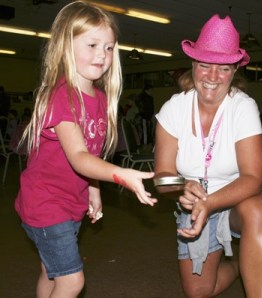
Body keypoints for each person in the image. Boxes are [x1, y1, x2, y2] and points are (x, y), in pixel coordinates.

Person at [15, 2, 157, 298]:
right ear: (66, 45)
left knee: (51, 272)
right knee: (72, 281)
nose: (101, 55)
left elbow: (89, 155)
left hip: (70, 203)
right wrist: (119, 175)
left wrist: (93, 189)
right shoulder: (62, 96)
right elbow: (79, 157)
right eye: (92, 44)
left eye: (108, 48)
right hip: (45, 203)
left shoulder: (101, 99)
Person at [154, 14, 262, 297]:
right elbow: (162, 176)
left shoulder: (242, 107)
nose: (212, 77)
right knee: (199, 291)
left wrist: (211, 203)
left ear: (235, 70)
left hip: (242, 190)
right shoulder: (173, 110)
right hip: (197, 198)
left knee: (255, 211)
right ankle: (246, 264)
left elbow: (252, 177)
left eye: (223, 68)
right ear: (193, 65)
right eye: (204, 65)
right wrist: (181, 187)